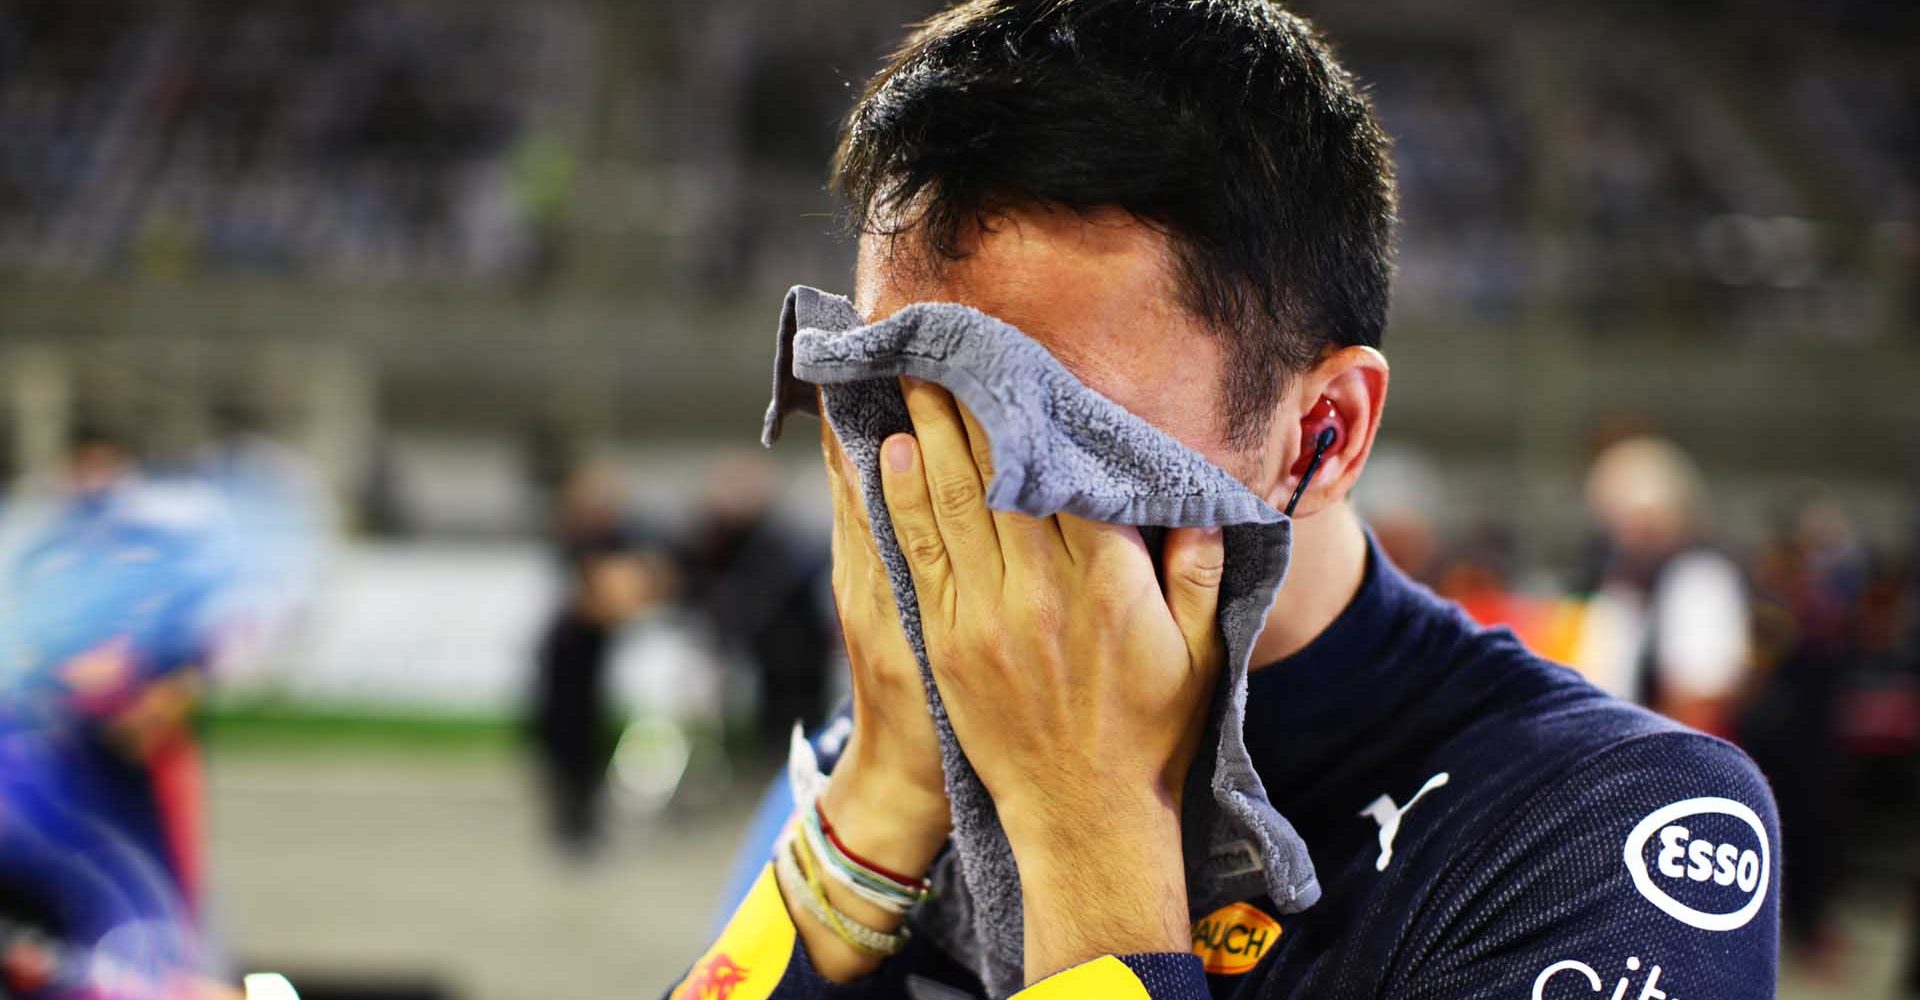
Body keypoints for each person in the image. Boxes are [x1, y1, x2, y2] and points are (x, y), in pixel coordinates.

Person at [669, 3, 1779, 998]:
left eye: (1048, 423)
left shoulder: (1604, 830)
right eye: (898, 406)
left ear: (1325, 432)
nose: (954, 491)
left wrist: (1087, 824)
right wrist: (881, 799)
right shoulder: (881, 758)